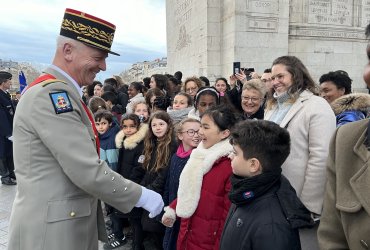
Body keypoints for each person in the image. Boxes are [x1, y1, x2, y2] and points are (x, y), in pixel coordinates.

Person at [8, 8, 164, 250]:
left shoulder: (60, 92)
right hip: (53, 234)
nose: (103, 66)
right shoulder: (52, 95)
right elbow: (86, 169)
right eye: (97, 56)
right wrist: (142, 196)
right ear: (67, 51)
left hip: (59, 223)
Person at [264, 56, 336, 249]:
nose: (275, 81)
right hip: (273, 193)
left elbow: (321, 157)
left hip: (300, 196)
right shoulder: (271, 107)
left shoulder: (316, 105)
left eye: (281, 76)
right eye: (273, 77)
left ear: (296, 75)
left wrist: (310, 204)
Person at [220, 120, 314, 249]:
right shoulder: (245, 190)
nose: (230, 156)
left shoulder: (272, 225)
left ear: (253, 165)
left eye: (235, 153)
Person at [317, 23, 370, 250]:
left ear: (343, 91)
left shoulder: (348, 117)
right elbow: (332, 237)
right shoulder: (346, 140)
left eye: (327, 90)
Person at [162, 105, 237, 250]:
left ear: (224, 133)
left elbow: (227, 215)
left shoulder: (229, 164)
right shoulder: (200, 153)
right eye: (201, 126)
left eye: (206, 127)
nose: (200, 132)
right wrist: (173, 208)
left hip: (208, 239)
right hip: (189, 230)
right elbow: (192, 188)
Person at [110, 113, 149, 250]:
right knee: (129, 215)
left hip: (133, 185)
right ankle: (128, 238)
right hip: (124, 182)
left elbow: (139, 168)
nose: (128, 129)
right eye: (125, 126)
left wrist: (129, 183)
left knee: (135, 218)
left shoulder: (140, 145)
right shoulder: (124, 141)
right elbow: (121, 165)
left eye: (132, 126)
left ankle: (138, 245)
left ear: (138, 126)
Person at [140, 111, 177, 249]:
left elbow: (164, 174)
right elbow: (146, 170)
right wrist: (142, 187)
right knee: (149, 231)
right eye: (154, 125)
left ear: (168, 126)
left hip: (160, 194)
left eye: (161, 124)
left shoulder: (171, 145)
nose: (158, 127)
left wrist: (148, 190)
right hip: (149, 191)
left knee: (156, 231)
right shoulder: (152, 144)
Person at [162, 118, 201, 250]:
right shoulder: (175, 156)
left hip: (185, 210)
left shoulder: (198, 158)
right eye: (191, 132)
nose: (196, 135)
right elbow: (169, 182)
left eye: (199, 131)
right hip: (172, 206)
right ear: (180, 135)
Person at [0, 71, 16, 185]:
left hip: (9, 129)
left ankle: (11, 172)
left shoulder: (5, 94)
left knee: (9, 151)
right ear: (3, 82)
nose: (11, 82)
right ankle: (5, 176)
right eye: (9, 80)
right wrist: (8, 133)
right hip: (2, 131)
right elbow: (1, 116)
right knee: (2, 152)